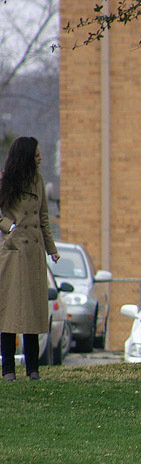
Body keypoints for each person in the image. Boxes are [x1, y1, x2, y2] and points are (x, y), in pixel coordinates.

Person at [0, 137, 59, 382]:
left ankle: (33, 369)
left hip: (34, 253)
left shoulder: (38, 180)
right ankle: (8, 370)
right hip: (14, 251)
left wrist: (51, 249)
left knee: (34, 312)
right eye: (36, 155)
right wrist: (9, 227)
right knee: (10, 312)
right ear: (25, 156)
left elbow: (44, 216)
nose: (40, 158)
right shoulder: (6, 181)